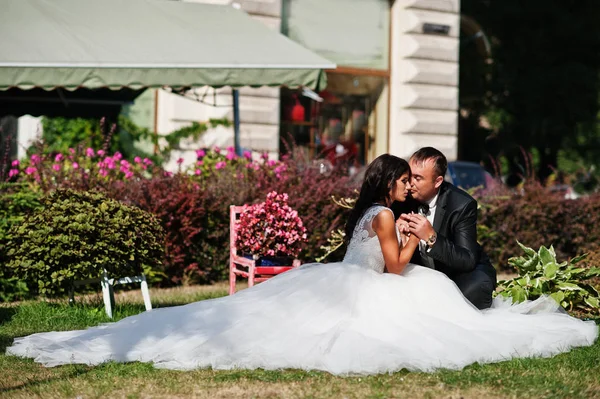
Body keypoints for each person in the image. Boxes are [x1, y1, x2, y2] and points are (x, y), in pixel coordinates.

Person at [6, 155, 597, 376]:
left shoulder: (368, 211)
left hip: (343, 278)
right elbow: (394, 271)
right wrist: (419, 239)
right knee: (419, 322)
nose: (406, 186)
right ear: (390, 186)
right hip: (378, 285)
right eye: (401, 179)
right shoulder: (390, 218)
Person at [394, 147, 497, 309]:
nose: (410, 183)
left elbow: (468, 259)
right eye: (409, 176)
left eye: (418, 178)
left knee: (473, 292)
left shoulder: (461, 205)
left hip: (458, 273)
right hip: (420, 274)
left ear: (438, 182)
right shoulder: (402, 198)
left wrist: (431, 238)